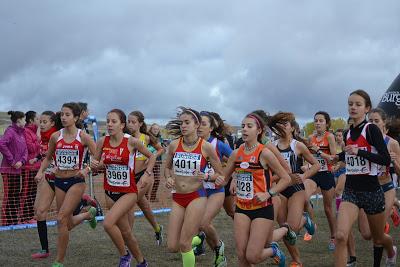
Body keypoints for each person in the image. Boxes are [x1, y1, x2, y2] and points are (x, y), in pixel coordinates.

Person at [334, 90, 397, 267]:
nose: (353, 107)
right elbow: (350, 157)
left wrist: (359, 151)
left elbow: (384, 159)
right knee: (340, 236)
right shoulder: (347, 133)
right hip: (351, 192)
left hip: (372, 192)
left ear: (367, 108)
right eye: (350, 104)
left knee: (377, 237)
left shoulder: (372, 130)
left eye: (358, 104)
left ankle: (391, 251)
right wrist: (337, 158)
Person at [223, 110, 291, 267]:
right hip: (241, 207)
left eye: (249, 126)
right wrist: (207, 176)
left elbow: (286, 177)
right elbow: (223, 179)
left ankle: (273, 250)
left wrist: (269, 193)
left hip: (262, 208)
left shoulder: (265, 152)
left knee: (252, 256)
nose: (244, 129)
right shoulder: (235, 153)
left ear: (259, 130)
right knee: (241, 256)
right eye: (243, 126)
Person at [35, 102, 97, 267]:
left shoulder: (83, 137)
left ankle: (59, 261)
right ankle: (88, 214)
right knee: (65, 223)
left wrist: (87, 168)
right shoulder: (56, 136)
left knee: (60, 218)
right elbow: (48, 157)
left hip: (76, 182)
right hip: (59, 181)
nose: (63, 117)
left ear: (76, 118)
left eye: (67, 114)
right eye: (62, 114)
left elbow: (99, 157)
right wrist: (41, 172)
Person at [91, 109, 155, 267]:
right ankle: (142, 262)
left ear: (122, 125)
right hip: (110, 192)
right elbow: (96, 166)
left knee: (107, 223)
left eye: (114, 121)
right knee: (126, 232)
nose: (109, 124)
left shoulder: (131, 141)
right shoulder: (102, 142)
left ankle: (125, 255)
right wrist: (93, 165)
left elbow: (152, 156)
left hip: (128, 192)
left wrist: (147, 174)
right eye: (108, 121)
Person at [164, 107, 225, 267]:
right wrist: (168, 178)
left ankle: (192, 242)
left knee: (184, 244)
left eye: (187, 122)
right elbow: (166, 167)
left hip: (197, 196)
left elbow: (221, 175)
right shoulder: (173, 145)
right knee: (172, 246)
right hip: (178, 197)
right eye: (181, 123)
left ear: (196, 124)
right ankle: (198, 239)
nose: (183, 126)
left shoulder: (206, 147)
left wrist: (207, 176)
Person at [271, 112, 319, 266]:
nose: (282, 127)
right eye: (280, 124)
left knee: (291, 227)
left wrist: (304, 177)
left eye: (285, 124)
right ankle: (297, 261)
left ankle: (305, 219)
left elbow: (316, 165)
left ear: (292, 128)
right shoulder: (272, 146)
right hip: (280, 190)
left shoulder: (297, 145)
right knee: (285, 230)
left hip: (296, 188)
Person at [191, 111, 232, 266]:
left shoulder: (218, 144)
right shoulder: (192, 143)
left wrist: (226, 176)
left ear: (211, 128)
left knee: (203, 223)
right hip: (198, 190)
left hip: (215, 191)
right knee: (200, 224)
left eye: (203, 124)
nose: (199, 127)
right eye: (198, 123)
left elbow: (236, 159)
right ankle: (217, 250)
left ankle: (218, 245)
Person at [128, 111, 165, 245]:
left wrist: (150, 157)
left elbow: (161, 149)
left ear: (140, 124)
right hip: (130, 177)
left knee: (129, 203)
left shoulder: (146, 137)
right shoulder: (126, 138)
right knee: (144, 206)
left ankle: (128, 240)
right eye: (128, 122)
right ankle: (157, 228)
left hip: (145, 175)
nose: (130, 124)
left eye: (133, 122)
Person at [304, 111, 337, 249]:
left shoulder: (330, 137)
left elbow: (333, 158)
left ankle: (334, 237)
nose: (317, 123)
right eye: (316, 120)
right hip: (314, 172)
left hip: (326, 174)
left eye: (321, 121)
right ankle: (312, 224)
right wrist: (306, 165)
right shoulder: (310, 137)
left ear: (327, 123)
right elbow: (308, 156)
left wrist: (319, 151)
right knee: (304, 198)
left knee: (328, 209)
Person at [0, 111, 27, 226]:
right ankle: (6, 221)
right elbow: (1, 143)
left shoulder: (21, 133)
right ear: (19, 120)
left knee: (15, 194)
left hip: (18, 170)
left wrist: (22, 161)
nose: (25, 122)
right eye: (24, 119)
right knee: (9, 195)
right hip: (7, 170)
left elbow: (25, 150)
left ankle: (14, 220)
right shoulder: (10, 131)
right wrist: (12, 161)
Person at [20, 110, 41, 223]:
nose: (39, 121)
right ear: (31, 120)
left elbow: (39, 148)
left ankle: (30, 216)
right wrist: (38, 139)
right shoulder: (26, 132)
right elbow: (31, 148)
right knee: (26, 192)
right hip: (28, 167)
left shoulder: (34, 132)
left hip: (36, 167)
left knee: (33, 192)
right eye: (37, 119)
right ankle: (24, 218)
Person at [148, 123, 163, 202]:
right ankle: (145, 196)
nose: (156, 130)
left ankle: (153, 197)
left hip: (157, 161)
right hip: (148, 161)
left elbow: (162, 149)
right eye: (154, 129)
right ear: (151, 129)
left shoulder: (160, 138)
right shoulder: (148, 137)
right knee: (147, 179)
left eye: (157, 129)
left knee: (157, 179)